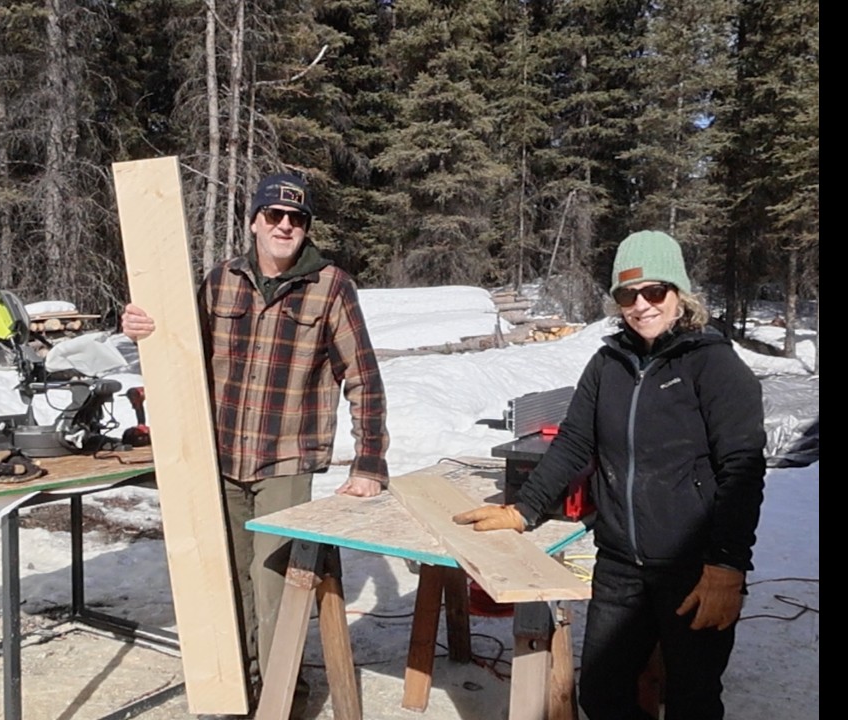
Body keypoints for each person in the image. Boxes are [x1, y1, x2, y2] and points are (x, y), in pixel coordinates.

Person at [453, 230, 765, 720]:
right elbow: (574, 441)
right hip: (620, 566)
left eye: (654, 291)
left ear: (679, 294)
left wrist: (727, 567)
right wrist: (525, 508)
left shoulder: (714, 364)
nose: (641, 305)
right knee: (601, 694)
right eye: (627, 295)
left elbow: (742, 468)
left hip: (692, 568)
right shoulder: (607, 363)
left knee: (693, 700)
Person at [121, 172, 389, 712]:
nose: (284, 226)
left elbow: (363, 377)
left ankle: (281, 699)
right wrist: (141, 327)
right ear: (254, 223)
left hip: (285, 460)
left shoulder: (331, 286)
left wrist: (368, 463)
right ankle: (236, 689)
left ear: (306, 228)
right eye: (274, 215)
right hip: (218, 459)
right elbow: (180, 350)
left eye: (296, 218)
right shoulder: (221, 280)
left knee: (274, 588)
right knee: (225, 582)